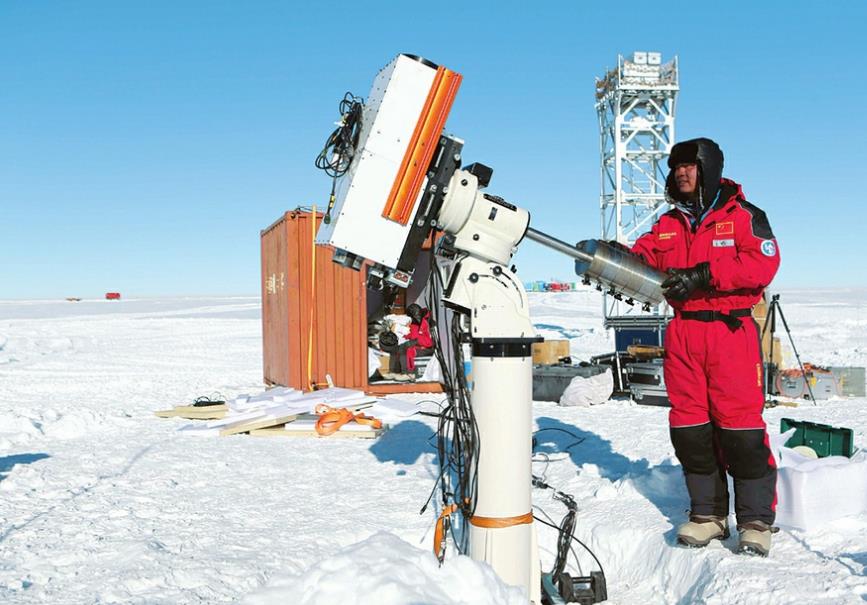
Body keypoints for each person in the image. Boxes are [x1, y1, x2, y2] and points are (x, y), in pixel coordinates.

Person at [628, 138, 781, 556]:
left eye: (690, 166)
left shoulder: (744, 216)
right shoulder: (668, 223)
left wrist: (704, 275)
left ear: (709, 169)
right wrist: (617, 255)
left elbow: (762, 263)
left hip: (729, 333)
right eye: (675, 166)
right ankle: (708, 516)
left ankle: (754, 521)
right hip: (684, 335)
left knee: (740, 429)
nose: (681, 172)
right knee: (690, 430)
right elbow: (644, 255)